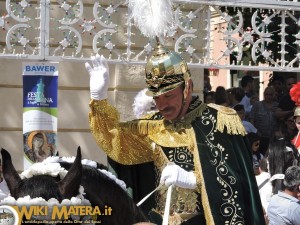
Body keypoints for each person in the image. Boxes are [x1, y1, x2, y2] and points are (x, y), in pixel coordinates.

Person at [85, 44, 265, 224]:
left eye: (169, 96)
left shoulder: (219, 121)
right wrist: (99, 98)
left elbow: (238, 183)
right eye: (156, 98)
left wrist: (194, 180)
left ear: (187, 88)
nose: (162, 105)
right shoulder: (152, 124)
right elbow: (117, 142)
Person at [250, 86, 278, 156]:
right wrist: (254, 133)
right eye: (266, 94)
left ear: (274, 95)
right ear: (263, 94)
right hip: (259, 137)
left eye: (270, 94)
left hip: (273, 138)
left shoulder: (277, 106)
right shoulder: (257, 105)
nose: (268, 96)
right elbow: (251, 119)